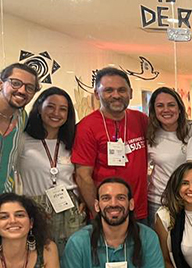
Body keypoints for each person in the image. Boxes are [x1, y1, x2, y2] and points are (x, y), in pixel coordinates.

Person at [73, 67, 149, 222]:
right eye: (109, 90)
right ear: (97, 94)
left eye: (122, 90)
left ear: (130, 93)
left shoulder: (140, 119)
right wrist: (98, 214)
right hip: (108, 213)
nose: (116, 95)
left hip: (140, 210)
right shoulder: (86, 127)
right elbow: (83, 176)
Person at [18, 87, 85, 256]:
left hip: (70, 208)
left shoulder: (72, 141)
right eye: (50, 106)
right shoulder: (22, 140)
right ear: (39, 108)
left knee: (72, 258)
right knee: (38, 256)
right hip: (35, 207)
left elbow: (81, 174)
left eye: (63, 109)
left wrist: (82, 199)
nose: (56, 113)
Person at [146, 86, 192, 226]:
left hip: (191, 200)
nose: (166, 110)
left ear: (180, 109)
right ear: (154, 110)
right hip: (159, 202)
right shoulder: (150, 135)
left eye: (171, 105)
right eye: (160, 106)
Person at [0, 63, 39, 194]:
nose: (22, 91)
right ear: (1, 84)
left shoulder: (22, 117)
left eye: (29, 88)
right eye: (15, 83)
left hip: (5, 197)